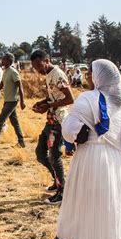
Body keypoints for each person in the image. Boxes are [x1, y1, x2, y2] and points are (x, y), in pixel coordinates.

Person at [50, 59, 121, 239]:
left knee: (84, 206)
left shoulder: (87, 98)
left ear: (98, 77)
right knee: (109, 209)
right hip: (116, 164)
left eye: (90, 73)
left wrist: (75, 136)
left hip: (91, 160)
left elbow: (70, 130)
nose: (88, 77)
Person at [30, 49, 74, 205]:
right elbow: (53, 94)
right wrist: (42, 103)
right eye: (35, 67)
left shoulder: (57, 74)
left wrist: (49, 105)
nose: (38, 70)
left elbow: (70, 98)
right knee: (41, 153)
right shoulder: (49, 75)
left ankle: (62, 191)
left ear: (46, 60)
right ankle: (58, 181)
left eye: (39, 65)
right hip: (51, 119)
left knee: (54, 155)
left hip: (60, 120)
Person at [0, 53, 26, 150]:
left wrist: (22, 101)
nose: (2, 61)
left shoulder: (13, 72)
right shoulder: (5, 71)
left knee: (0, 121)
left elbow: (20, 86)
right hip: (8, 100)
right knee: (15, 122)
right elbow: (0, 86)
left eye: (4, 60)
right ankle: (21, 142)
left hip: (13, 101)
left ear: (9, 61)